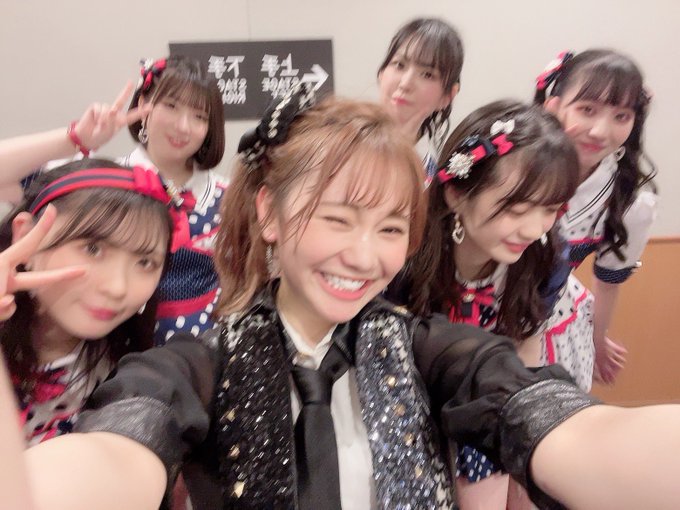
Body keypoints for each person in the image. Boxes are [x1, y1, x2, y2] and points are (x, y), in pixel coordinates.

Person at [8, 89, 680, 510]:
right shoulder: (192, 366)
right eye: (336, 219)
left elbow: (570, 430)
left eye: (390, 228)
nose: (364, 257)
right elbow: (104, 459)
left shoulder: (435, 352)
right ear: (268, 214)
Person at [390, 99, 587, 509]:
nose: (534, 228)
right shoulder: (401, 256)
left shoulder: (545, 258)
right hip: (406, 408)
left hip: (491, 403)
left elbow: (523, 350)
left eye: (550, 209)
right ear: (456, 193)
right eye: (515, 209)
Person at [0, 158, 174, 447]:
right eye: (92, 249)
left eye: (145, 262)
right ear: (26, 235)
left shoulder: (134, 380)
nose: (117, 287)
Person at [535, 49, 657, 384]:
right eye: (587, 110)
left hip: (548, 318)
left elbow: (608, 281)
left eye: (621, 116)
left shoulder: (629, 201)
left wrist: (597, 339)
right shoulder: (513, 168)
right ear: (554, 108)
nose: (601, 131)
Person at [121, 55, 227, 344]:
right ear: (144, 104)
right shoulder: (110, 186)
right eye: (171, 106)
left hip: (206, 350)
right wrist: (77, 139)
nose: (183, 127)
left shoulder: (227, 196)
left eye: (199, 117)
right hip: (122, 350)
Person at [377, 17, 463, 179]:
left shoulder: (428, 176)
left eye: (427, 75)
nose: (405, 83)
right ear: (382, 73)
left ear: (447, 97)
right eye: (399, 65)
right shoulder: (340, 138)